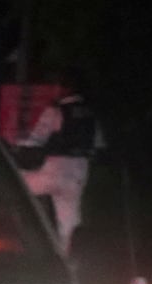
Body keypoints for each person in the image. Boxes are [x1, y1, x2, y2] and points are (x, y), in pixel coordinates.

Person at [16, 75, 103, 257]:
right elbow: (98, 145)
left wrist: (18, 144)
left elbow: (34, 141)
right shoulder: (92, 114)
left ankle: (20, 239)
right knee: (69, 225)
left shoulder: (56, 111)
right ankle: (69, 264)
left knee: (13, 182)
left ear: (66, 88)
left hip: (54, 169)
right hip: (79, 172)